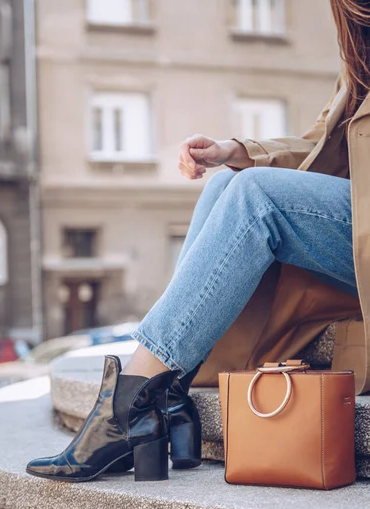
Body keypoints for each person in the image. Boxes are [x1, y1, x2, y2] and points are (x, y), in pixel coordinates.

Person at [26, 0, 370, 483]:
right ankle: (168, 396)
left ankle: (130, 406)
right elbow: (329, 140)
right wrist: (236, 151)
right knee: (227, 181)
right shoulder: (360, 29)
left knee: (256, 195)